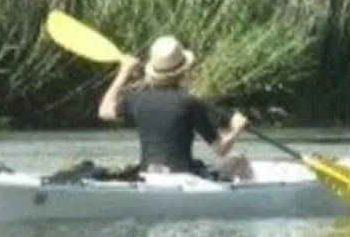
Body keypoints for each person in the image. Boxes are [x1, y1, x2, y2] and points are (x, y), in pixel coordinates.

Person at [98, 35, 252, 180]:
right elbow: (220, 149)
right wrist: (237, 129)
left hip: (148, 175)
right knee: (238, 160)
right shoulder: (190, 102)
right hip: (184, 177)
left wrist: (124, 72)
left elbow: (104, 110)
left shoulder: (137, 98)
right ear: (182, 70)